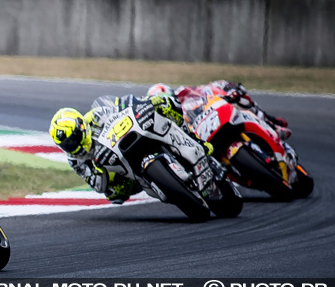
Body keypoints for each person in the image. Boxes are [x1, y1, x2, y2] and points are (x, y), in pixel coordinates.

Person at [49, 95, 213, 204]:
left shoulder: (96, 116)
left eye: (74, 138)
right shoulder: (75, 160)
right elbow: (98, 186)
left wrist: (142, 103)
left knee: (166, 103)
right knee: (114, 195)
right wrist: (98, 169)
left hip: (130, 137)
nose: (72, 145)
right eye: (67, 144)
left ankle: (194, 139)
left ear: (81, 126)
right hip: (118, 169)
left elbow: (121, 110)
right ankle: (155, 182)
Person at [173, 80, 292, 140]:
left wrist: (228, 95)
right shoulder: (176, 115)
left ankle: (271, 123)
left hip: (222, 111)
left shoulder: (199, 90)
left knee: (239, 98)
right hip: (207, 130)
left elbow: (227, 88)